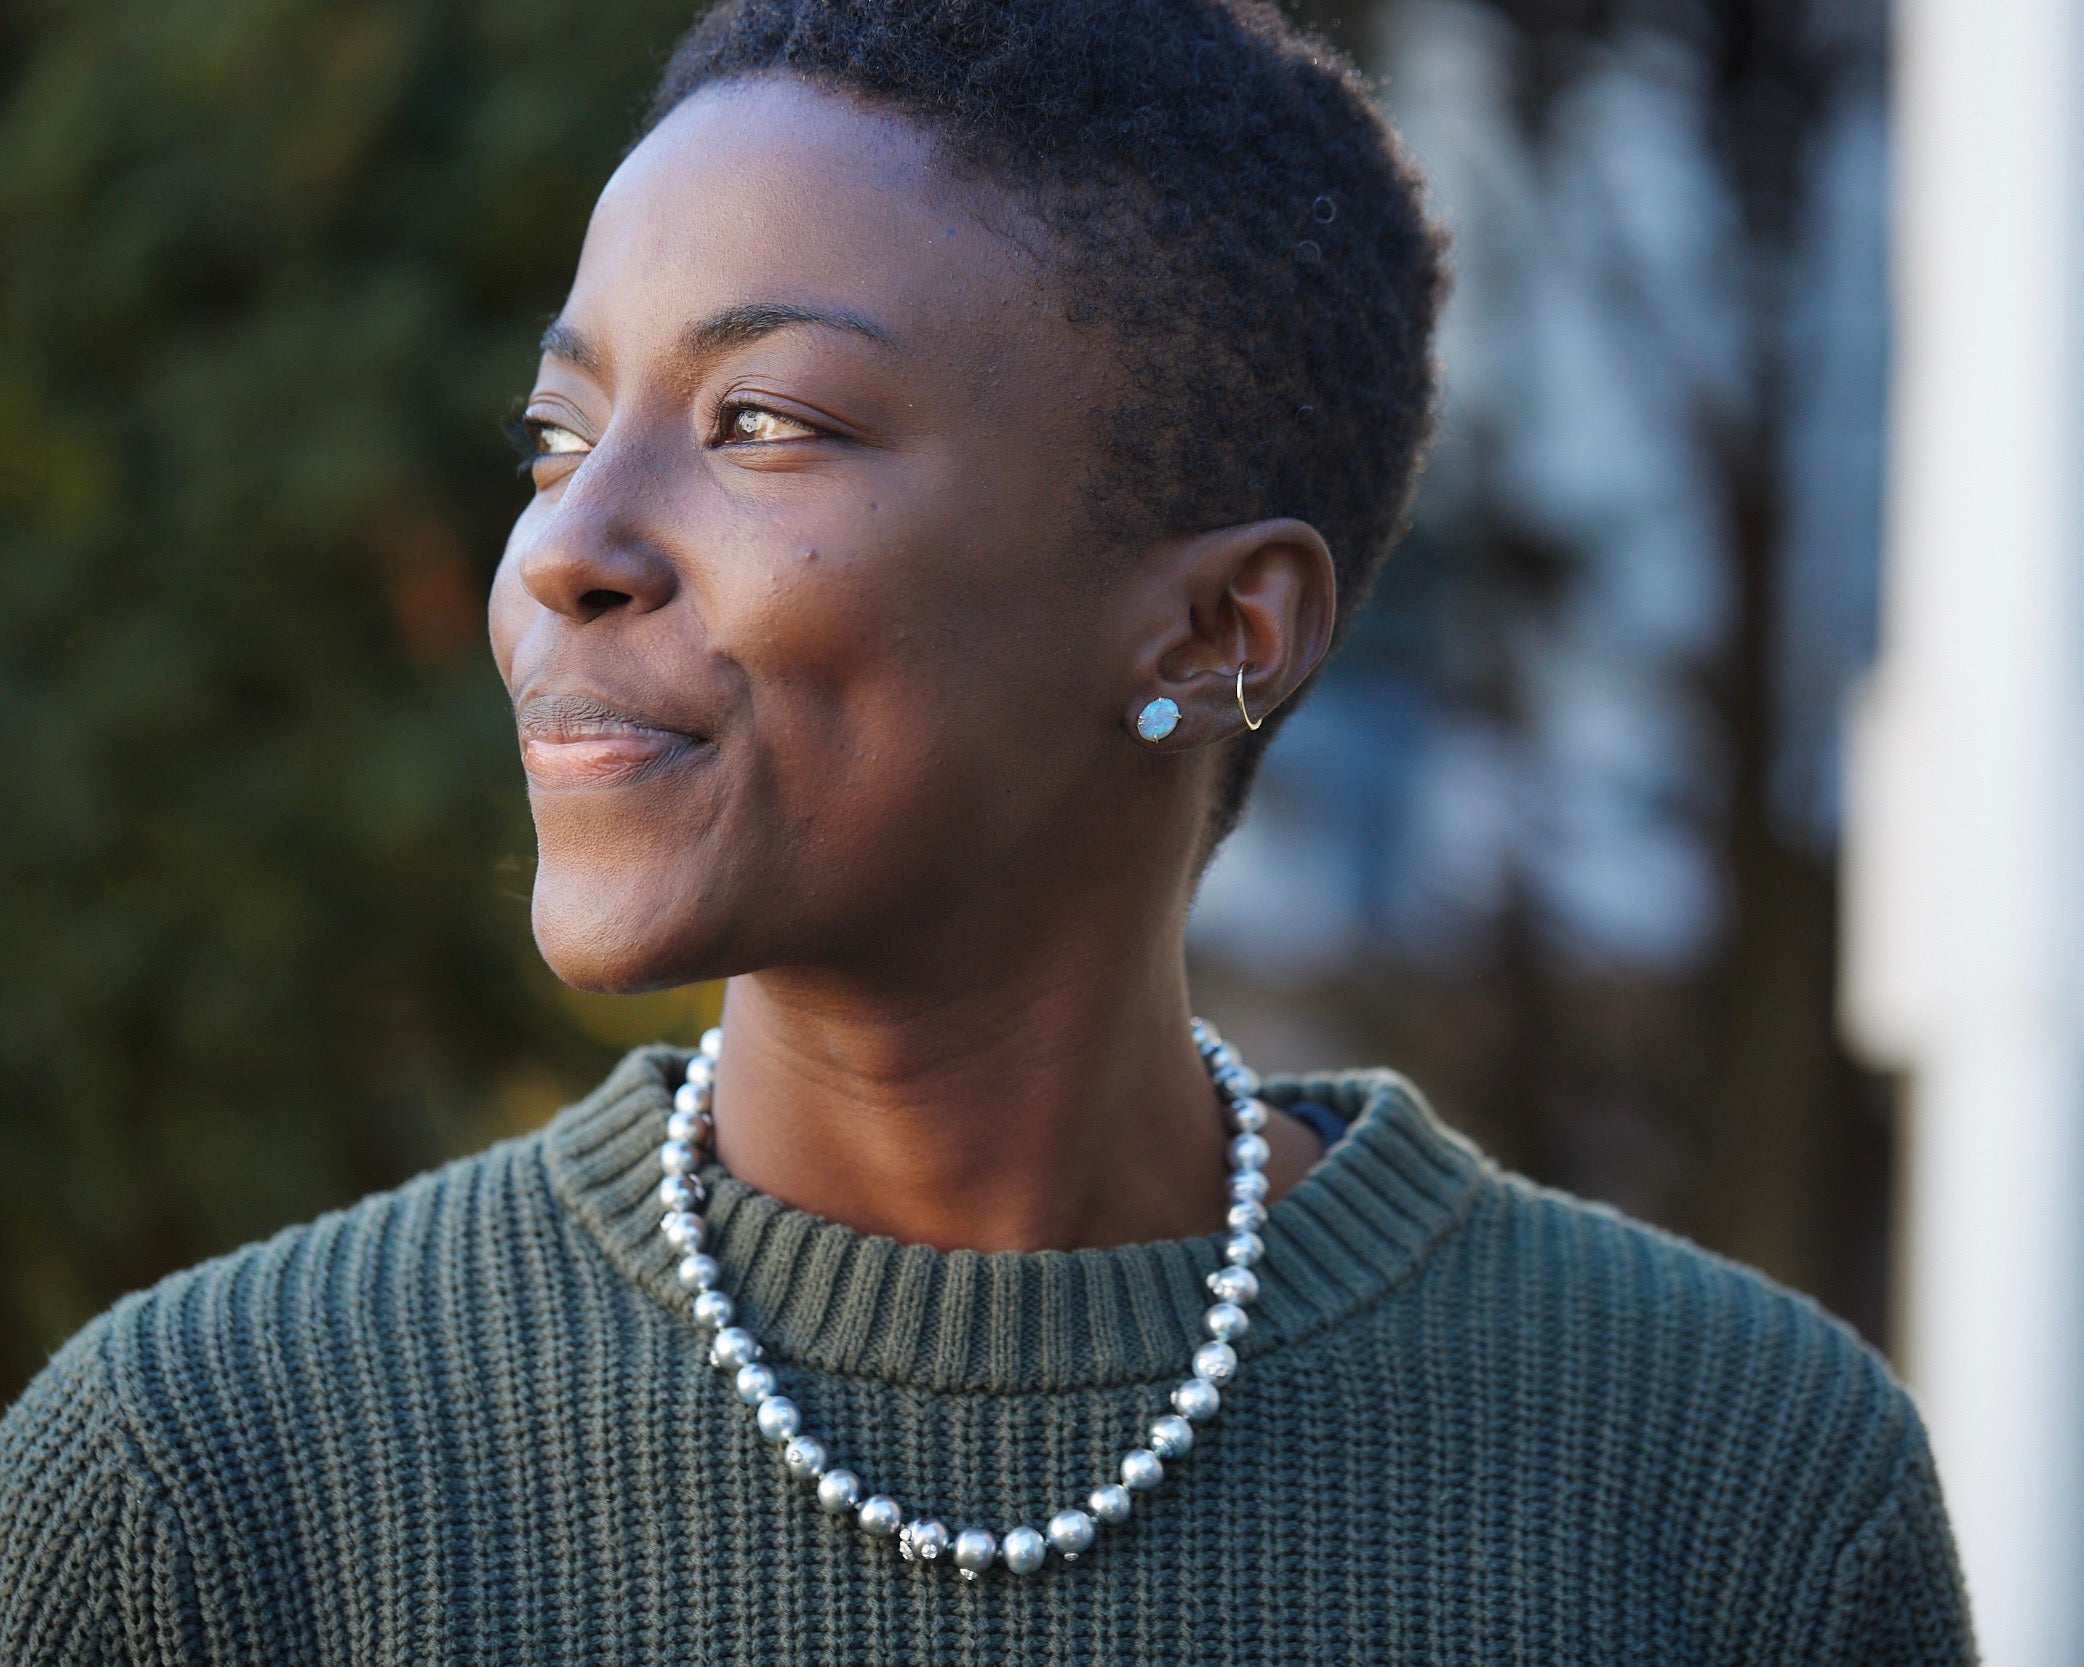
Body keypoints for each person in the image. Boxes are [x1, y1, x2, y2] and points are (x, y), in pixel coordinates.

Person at [0, 1, 1973, 1661]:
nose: (565, 548)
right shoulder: (214, 1489)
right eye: (557, 432)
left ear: (1216, 629)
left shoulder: (1728, 1495)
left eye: (765, 419)